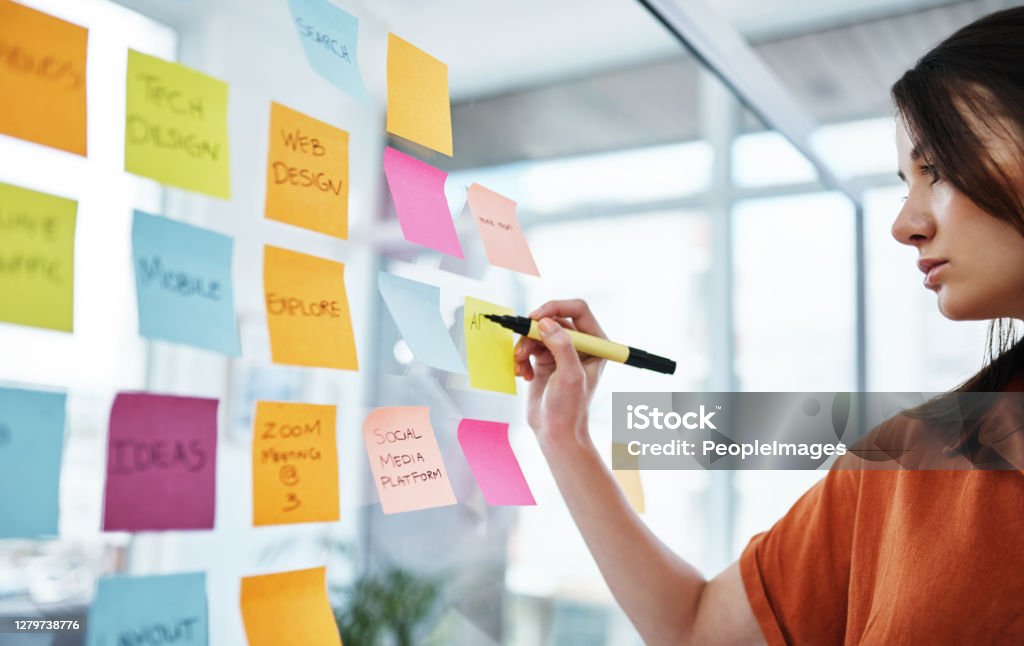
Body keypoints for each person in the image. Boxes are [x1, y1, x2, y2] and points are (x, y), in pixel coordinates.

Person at [512, 7, 1024, 645]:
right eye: (905, 182)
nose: (904, 224)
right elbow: (696, 629)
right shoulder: (910, 462)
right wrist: (565, 436)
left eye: (938, 169)